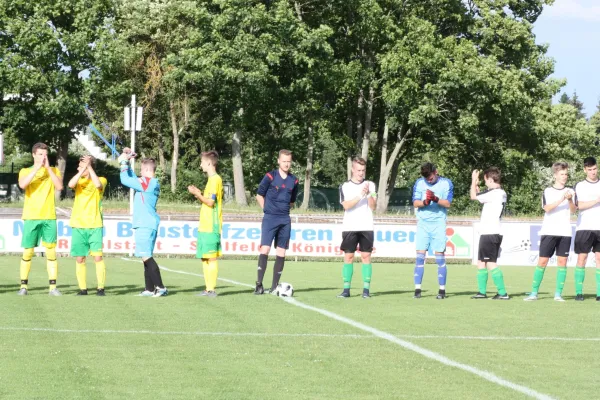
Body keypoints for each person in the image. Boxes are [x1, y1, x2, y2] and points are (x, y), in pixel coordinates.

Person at [118, 148, 167, 297]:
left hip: (145, 223)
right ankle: (149, 288)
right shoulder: (149, 183)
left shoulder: (147, 182)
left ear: (146, 170)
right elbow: (133, 179)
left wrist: (123, 162)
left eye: (141, 170)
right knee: (145, 256)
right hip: (148, 222)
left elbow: (125, 180)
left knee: (146, 256)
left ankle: (160, 287)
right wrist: (128, 161)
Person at [524, 162, 575, 302]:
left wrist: (570, 200)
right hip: (549, 231)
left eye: (566, 174)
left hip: (565, 232)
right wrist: (561, 199)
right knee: (542, 262)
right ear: (555, 175)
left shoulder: (571, 191)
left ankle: (558, 294)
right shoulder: (547, 191)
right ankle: (534, 293)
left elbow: (573, 210)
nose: (564, 177)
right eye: (562, 174)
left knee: (562, 262)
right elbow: (547, 208)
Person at [17, 142, 64, 296]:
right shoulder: (25, 171)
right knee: (28, 252)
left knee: (51, 252)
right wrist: (37, 168)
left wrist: (48, 168)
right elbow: (23, 185)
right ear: (33, 155)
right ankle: (23, 286)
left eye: (45, 154)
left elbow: (59, 186)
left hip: (49, 216)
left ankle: (52, 287)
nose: (43, 157)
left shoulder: (54, 170)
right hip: (31, 216)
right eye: (40, 154)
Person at [254, 149, 299, 295]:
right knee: (265, 249)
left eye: (288, 161)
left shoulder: (294, 180)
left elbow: (292, 201)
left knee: (281, 252)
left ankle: (274, 287)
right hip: (270, 218)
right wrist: (267, 210)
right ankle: (259, 284)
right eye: (284, 161)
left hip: (285, 219)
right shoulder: (270, 176)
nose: (286, 164)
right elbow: (259, 195)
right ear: (278, 161)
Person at [412, 162, 453, 299]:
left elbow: (447, 203)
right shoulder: (419, 183)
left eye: (430, 178)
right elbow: (415, 202)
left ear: (436, 172)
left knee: (440, 257)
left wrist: (435, 199)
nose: (428, 181)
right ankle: (417, 290)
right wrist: (425, 202)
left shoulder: (446, 183)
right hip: (423, 223)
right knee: (420, 257)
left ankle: (442, 291)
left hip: (439, 223)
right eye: (426, 179)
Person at [68, 155, 108, 296]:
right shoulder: (79, 181)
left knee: (97, 257)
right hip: (78, 224)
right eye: (80, 166)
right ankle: (83, 289)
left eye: (82, 165)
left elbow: (98, 185)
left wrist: (89, 166)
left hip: (95, 224)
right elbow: (70, 185)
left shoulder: (101, 179)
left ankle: (100, 288)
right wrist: (82, 170)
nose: (80, 168)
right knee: (80, 258)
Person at [337, 157, 376, 299]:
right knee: (349, 256)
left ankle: (366, 290)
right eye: (358, 170)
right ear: (353, 169)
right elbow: (346, 206)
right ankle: (346, 289)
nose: (361, 173)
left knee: (366, 256)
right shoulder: (345, 186)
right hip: (350, 226)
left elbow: (373, 206)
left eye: (363, 170)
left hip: (366, 225)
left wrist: (368, 196)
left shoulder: (370, 185)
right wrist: (360, 195)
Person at [188, 150, 223, 297]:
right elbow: (207, 199)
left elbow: (210, 202)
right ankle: (208, 288)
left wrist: (197, 194)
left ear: (209, 163)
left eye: (202, 162)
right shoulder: (210, 180)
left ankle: (211, 289)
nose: (200, 164)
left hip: (211, 226)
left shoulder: (215, 179)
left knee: (211, 257)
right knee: (204, 257)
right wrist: (199, 194)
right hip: (204, 225)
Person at [470, 167, 509, 300]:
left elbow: (473, 196)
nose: (485, 182)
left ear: (491, 180)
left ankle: (503, 293)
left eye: (486, 180)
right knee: (481, 261)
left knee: (490, 262)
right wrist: (476, 185)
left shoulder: (495, 193)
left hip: (490, 233)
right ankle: (482, 292)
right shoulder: (498, 193)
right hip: (493, 232)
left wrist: (473, 180)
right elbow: (480, 196)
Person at [572, 157, 600, 302]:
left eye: (594, 169)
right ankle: (579, 292)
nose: (593, 172)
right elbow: (579, 206)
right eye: (589, 170)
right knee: (582, 258)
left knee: (599, 259)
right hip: (584, 227)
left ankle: (599, 293)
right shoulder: (580, 185)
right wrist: (596, 200)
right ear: (585, 170)